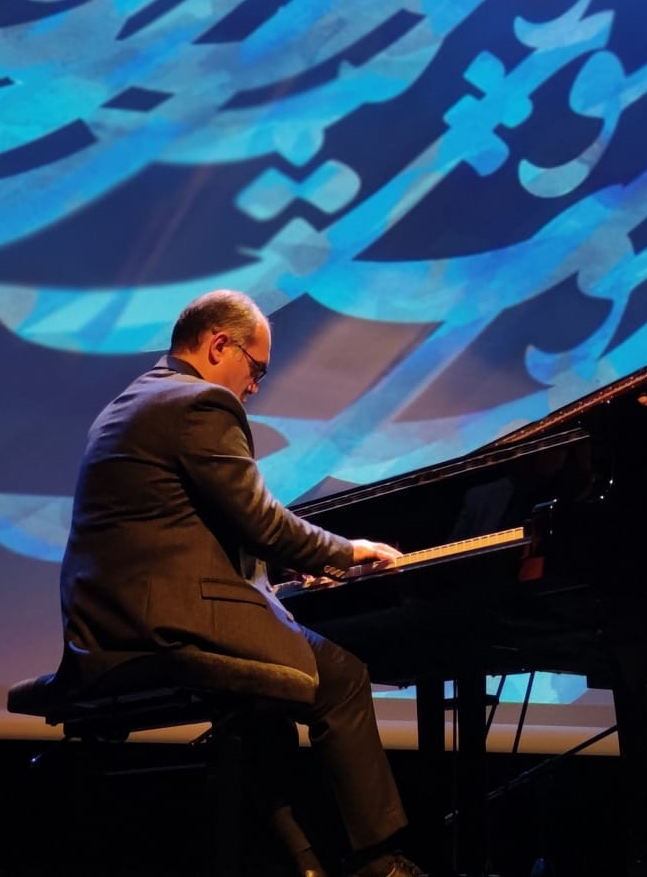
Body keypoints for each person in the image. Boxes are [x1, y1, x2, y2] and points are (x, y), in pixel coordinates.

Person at [53, 288, 427, 877]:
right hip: (172, 622)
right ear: (219, 344)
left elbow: (180, 527)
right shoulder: (200, 402)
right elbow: (261, 520)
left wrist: (280, 567)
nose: (254, 387)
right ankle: (380, 864)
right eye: (256, 369)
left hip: (105, 624)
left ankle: (304, 862)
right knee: (343, 679)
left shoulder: (130, 402)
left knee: (263, 709)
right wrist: (346, 551)